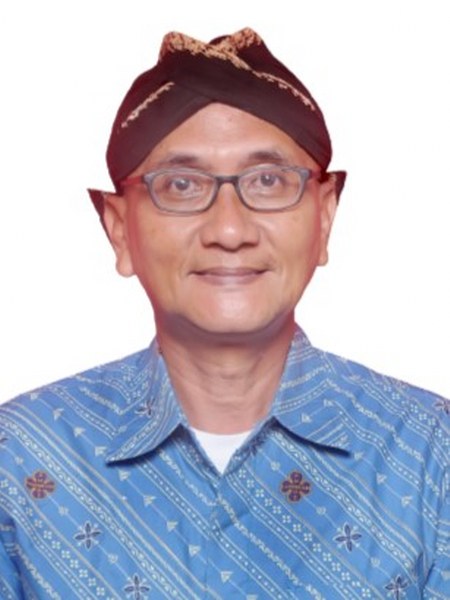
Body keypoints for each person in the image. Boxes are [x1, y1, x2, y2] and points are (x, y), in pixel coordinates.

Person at [0, 27, 448, 599]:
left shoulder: (429, 451)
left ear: (324, 217)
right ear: (119, 230)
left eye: (268, 181)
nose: (230, 230)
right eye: (180, 186)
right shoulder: (23, 453)